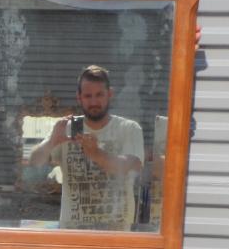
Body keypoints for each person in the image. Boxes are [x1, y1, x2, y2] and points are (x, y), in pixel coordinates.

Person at [28, 64, 144, 230]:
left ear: (110, 94)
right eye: (88, 96)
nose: (94, 102)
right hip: (74, 235)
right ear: (79, 98)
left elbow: (131, 165)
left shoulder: (129, 129)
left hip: (116, 234)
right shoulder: (66, 128)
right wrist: (52, 141)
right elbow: (34, 162)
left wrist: (96, 154)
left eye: (99, 95)